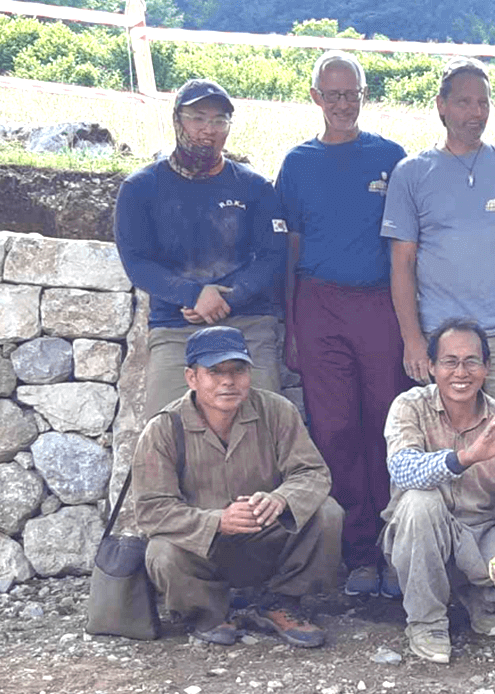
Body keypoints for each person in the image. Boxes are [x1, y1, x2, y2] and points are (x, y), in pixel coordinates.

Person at [276, 51, 413, 598]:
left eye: (350, 93)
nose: (341, 103)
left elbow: (408, 247)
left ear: (363, 95)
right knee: (333, 429)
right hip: (318, 305)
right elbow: (290, 248)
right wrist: (290, 325)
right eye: (331, 94)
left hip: (379, 304)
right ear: (315, 97)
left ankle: (395, 546)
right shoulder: (297, 162)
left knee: (389, 423)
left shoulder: (390, 157)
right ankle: (355, 555)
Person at [132, 326, 344, 648]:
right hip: (204, 549)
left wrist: (281, 499)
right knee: (162, 552)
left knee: (327, 513)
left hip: (267, 540)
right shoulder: (163, 428)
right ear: (192, 378)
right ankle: (208, 613)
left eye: (238, 370)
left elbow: (313, 473)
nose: (228, 381)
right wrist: (217, 521)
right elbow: (151, 510)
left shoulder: (276, 410)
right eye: (214, 372)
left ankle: (283, 602)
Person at [383, 57, 495, 461]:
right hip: (442, 340)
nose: (476, 113)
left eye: (483, 103)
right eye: (464, 102)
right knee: (446, 452)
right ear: (441, 105)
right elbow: (401, 264)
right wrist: (412, 341)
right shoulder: (412, 173)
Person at [381, 318, 495, 664]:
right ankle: (427, 621)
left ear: (487, 368)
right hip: (420, 542)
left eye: (471, 361)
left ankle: (483, 600)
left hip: (480, 541)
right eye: (449, 361)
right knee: (420, 502)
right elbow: (403, 471)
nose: (460, 372)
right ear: (432, 367)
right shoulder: (409, 406)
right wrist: (463, 458)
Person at [115, 79, 287, 419]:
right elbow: (136, 261)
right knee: (163, 428)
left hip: (248, 322)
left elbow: (273, 256)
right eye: (198, 118)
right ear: (178, 120)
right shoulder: (140, 188)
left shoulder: (255, 188)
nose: (209, 130)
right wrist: (192, 295)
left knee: (270, 426)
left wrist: (226, 299)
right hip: (177, 326)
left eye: (219, 120)